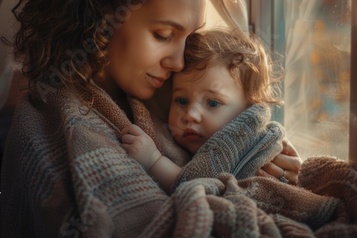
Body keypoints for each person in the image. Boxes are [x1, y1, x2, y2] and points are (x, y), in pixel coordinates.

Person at [0, 0, 302, 238]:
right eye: (164, 35)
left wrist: (262, 163)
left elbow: (226, 150)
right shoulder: (58, 122)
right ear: (101, 17)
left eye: (188, 38)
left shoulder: (164, 93)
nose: (180, 62)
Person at [121, 28, 288, 192]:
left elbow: (196, 185)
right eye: (182, 100)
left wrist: (153, 160)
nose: (190, 115)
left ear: (248, 110)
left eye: (213, 103)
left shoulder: (236, 141)